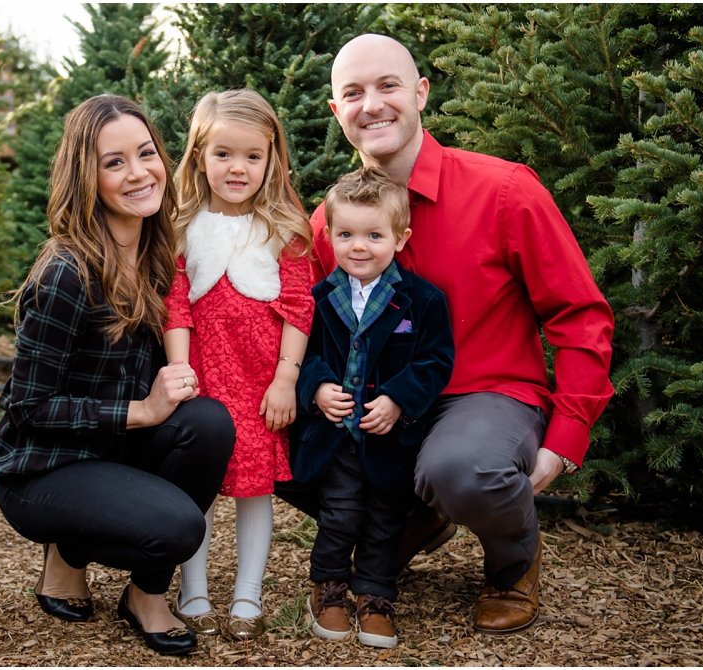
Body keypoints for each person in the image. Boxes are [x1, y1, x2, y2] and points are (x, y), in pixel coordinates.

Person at [289, 34, 616, 635]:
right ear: (337, 113)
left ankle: (512, 563)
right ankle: (408, 519)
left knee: (462, 468)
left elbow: (580, 315)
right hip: (373, 404)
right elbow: (311, 331)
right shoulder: (331, 223)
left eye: (388, 86)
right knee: (270, 433)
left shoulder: (505, 191)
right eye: (353, 94)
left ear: (420, 93)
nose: (373, 105)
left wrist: (566, 435)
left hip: (481, 394)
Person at [0, 95, 236, 656]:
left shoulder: (155, 252)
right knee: (176, 528)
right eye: (114, 162)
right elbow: (28, 407)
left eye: (146, 153)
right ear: (86, 176)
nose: (139, 172)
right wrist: (140, 412)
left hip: (115, 450)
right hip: (43, 468)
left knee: (210, 423)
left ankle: (146, 594)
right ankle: (66, 551)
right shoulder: (65, 274)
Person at [163, 89, 315, 641]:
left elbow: (300, 306)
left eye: (253, 156)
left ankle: (248, 596)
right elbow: (175, 303)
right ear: (199, 155)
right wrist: (180, 373)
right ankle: (194, 587)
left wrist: (286, 378)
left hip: (260, 382)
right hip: (204, 374)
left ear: (272, 158)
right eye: (223, 153)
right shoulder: (181, 224)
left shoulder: (285, 226)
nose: (238, 168)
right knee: (198, 484)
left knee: (254, 487)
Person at [291, 168, 454, 648]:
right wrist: (318, 388)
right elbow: (300, 355)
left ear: (400, 238)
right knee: (339, 513)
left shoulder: (421, 301)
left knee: (386, 517)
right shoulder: (317, 301)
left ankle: (377, 593)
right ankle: (329, 586)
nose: (358, 247)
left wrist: (400, 398)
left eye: (373, 235)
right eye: (346, 235)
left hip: (390, 437)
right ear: (330, 236)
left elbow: (435, 360)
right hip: (337, 433)